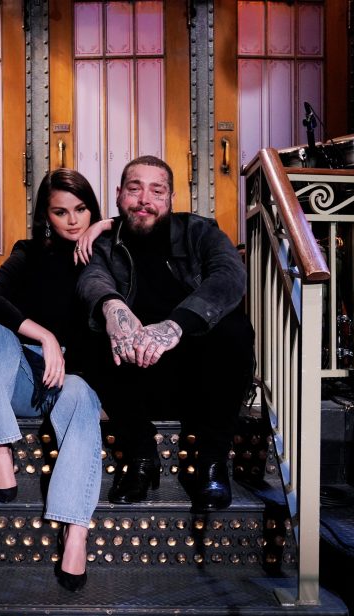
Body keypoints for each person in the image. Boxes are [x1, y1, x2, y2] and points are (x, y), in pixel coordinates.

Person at [77, 155, 255, 511]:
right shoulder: (105, 244)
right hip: (135, 380)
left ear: (171, 198)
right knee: (92, 332)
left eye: (157, 191)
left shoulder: (200, 232)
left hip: (199, 380)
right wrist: (113, 308)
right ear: (119, 194)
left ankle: (212, 462)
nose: (145, 199)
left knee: (234, 329)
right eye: (135, 189)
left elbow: (230, 276)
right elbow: (91, 279)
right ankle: (141, 457)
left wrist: (175, 326)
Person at [0, 168, 112, 591]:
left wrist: (106, 226)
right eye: (60, 212)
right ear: (45, 217)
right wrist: (45, 337)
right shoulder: (29, 253)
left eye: (82, 210)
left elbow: (155, 224)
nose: (73, 220)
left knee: (81, 394)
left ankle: (76, 531)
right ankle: (0, 446)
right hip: (24, 377)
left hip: (71, 381)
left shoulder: (107, 254)